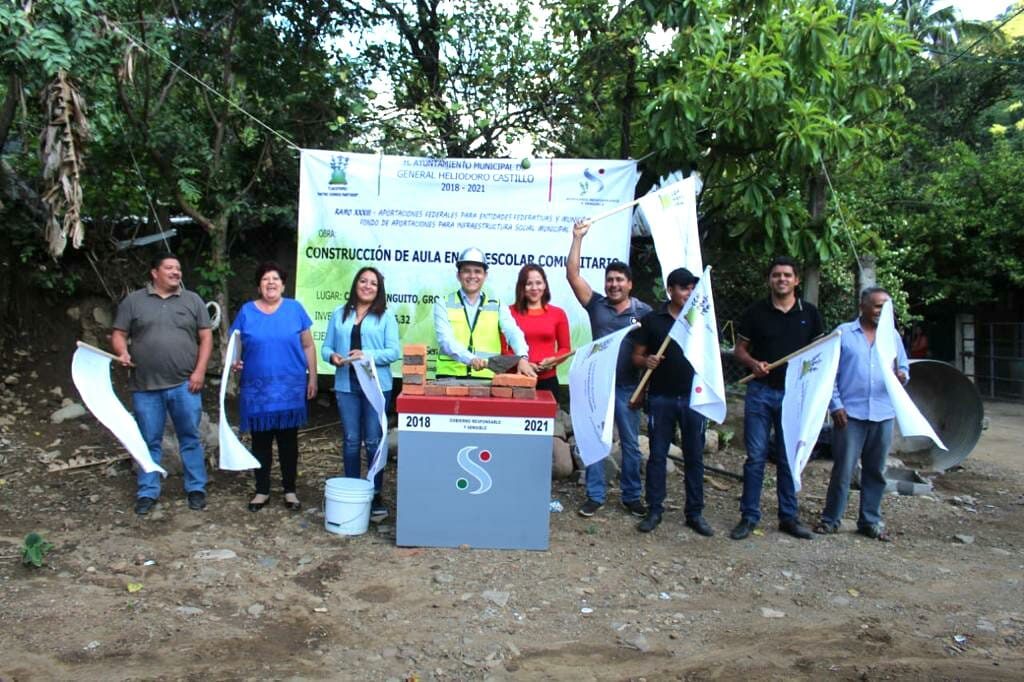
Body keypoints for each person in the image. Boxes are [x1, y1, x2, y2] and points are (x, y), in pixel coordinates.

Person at [111, 253, 213, 515]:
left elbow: (206, 337)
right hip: (145, 386)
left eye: (178, 268)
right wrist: (122, 352)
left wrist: (200, 371)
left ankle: (196, 488)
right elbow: (119, 334)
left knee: (190, 437)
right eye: (169, 268)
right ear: (154, 272)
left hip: (184, 383)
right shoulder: (134, 301)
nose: (176, 272)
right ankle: (148, 491)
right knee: (148, 440)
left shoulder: (192, 300)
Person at [730, 256, 823, 540]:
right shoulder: (755, 312)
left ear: (795, 280)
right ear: (769, 280)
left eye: (786, 275)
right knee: (755, 457)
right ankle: (749, 516)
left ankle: (788, 517)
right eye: (775, 275)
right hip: (760, 393)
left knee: (787, 457)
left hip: (794, 397)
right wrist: (753, 363)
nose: (781, 279)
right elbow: (739, 350)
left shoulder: (810, 314)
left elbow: (818, 352)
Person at [567, 220, 652, 518]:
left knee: (631, 445)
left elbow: (652, 349)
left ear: (630, 284)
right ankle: (595, 495)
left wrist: (646, 384)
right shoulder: (596, 305)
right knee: (594, 441)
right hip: (596, 388)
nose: (614, 284)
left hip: (628, 388)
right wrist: (577, 238)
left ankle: (631, 497)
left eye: (620, 280)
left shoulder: (643, 312)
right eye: (610, 280)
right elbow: (573, 275)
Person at [815, 287, 909, 541]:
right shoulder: (843, 333)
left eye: (886, 307)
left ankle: (870, 521)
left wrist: (903, 376)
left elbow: (904, 368)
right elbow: (829, 373)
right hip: (850, 415)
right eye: (878, 306)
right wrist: (835, 406)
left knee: (875, 471)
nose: (881, 311)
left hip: (882, 413)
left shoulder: (892, 337)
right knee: (843, 470)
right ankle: (831, 519)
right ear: (863, 306)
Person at [228, 262, 317, 512]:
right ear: (259, 285)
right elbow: (235, 345)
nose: (271, 282)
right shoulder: (247, 311)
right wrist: (235, 362)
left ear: (283, 284)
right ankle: (262, 490)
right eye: (266, 279)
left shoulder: (295, 309)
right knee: (261, 442)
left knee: (289, 442)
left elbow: (308, 346)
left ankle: (290, 490)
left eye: (275, 278)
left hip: (290, 386)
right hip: (258, 390)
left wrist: (313, 378)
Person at [631, 268, 713, 535]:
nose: (688, 293)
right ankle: (654, 509)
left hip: (694, 398)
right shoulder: (653, 320)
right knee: (656, 456)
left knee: (694, 456)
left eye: (691, 288)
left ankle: (695, 513)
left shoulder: (701, 320)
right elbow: (637, 357)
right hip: (661, 397)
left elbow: (712, 356)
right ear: (670, 290)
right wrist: (647, 361)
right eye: (683, 288)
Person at [322, 266, 401, 521]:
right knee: (351, 439)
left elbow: (393, 352)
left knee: (374, 440)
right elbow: (326, 348)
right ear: (356, 284)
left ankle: (375, 493)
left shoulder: (386, 317)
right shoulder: (339, 314)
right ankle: (353, 491)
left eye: (373, 283)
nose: (367, 286)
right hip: (347, 384)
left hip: (376, 385)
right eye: (363, 281)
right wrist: (332, 357)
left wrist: (368, 355)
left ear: (379, 290)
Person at [433, 247, 535, 379]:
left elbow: (513, 332)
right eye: (466, 271)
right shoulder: (443, 303)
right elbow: (445, 340)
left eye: (477, 271)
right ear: (458, 275)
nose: (472, 276)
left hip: (486, 377)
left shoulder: (497, 305)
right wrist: (471, 359)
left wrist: (522, 356)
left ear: (485, 276)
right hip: (449, 376)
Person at [504, 264, 571, 398]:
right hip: (516, 379)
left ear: (545, 285)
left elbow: (565, 348)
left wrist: (554, 360)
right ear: (522, 287)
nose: (534, 288)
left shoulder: (558, 314)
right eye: (529, 284)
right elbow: (503, 349)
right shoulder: (508, 313)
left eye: (539, 283)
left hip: (548, 381)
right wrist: (522, 363)